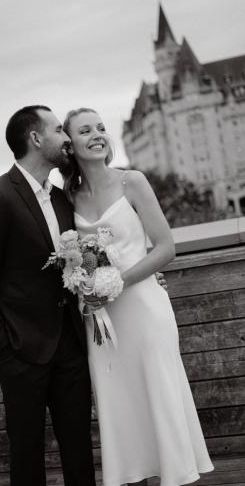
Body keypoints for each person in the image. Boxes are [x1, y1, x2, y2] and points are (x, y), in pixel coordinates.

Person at [60, 107, 215, 486]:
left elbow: (165, 249)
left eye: (100, 127)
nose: (97, 134)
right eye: (85, 131)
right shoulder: (67, 198)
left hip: (145, 309)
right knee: (119, 404)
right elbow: (70, 256)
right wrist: (84, 284)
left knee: (159, 395)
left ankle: (176, 476)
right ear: (70, 145)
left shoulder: (133, 182)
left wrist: (119, 282)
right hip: (101, 321)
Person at [0, 105, 96, 486]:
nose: (67, 138)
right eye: (59, 130)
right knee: (26, 451)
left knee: (79, 448)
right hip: (22, 352)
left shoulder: (60, 197)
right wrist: (5, 345)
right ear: (36, 139)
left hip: (71, 344)